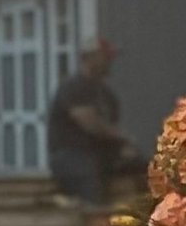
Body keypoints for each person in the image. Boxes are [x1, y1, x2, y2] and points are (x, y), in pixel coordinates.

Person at [47, 38, 140, 204]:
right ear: (90, 58)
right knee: (90, 182)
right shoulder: (74, 87)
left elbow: (110, 129)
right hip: (71, 155)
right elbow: (91, 124)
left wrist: (124, 147)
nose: (109, 62)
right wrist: (121, 136)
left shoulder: (107, 95)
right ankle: (91, 223)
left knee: (144, 167)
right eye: (105, 57)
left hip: (99, 154)